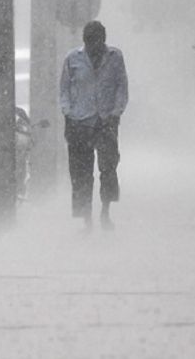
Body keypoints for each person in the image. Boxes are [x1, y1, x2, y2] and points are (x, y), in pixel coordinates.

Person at [59, 21, 128, 231]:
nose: (93, 47)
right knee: (81, 174)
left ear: (103, 40)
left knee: (108, 169)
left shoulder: (115, 58)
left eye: (96, 42)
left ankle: (105, 212)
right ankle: (86, 218)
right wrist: (68, 113)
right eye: (89, 42)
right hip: (80, 122)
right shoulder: (73, 59)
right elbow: (64, 90)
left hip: (106, 122)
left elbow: (121, 88)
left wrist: (116, 113)